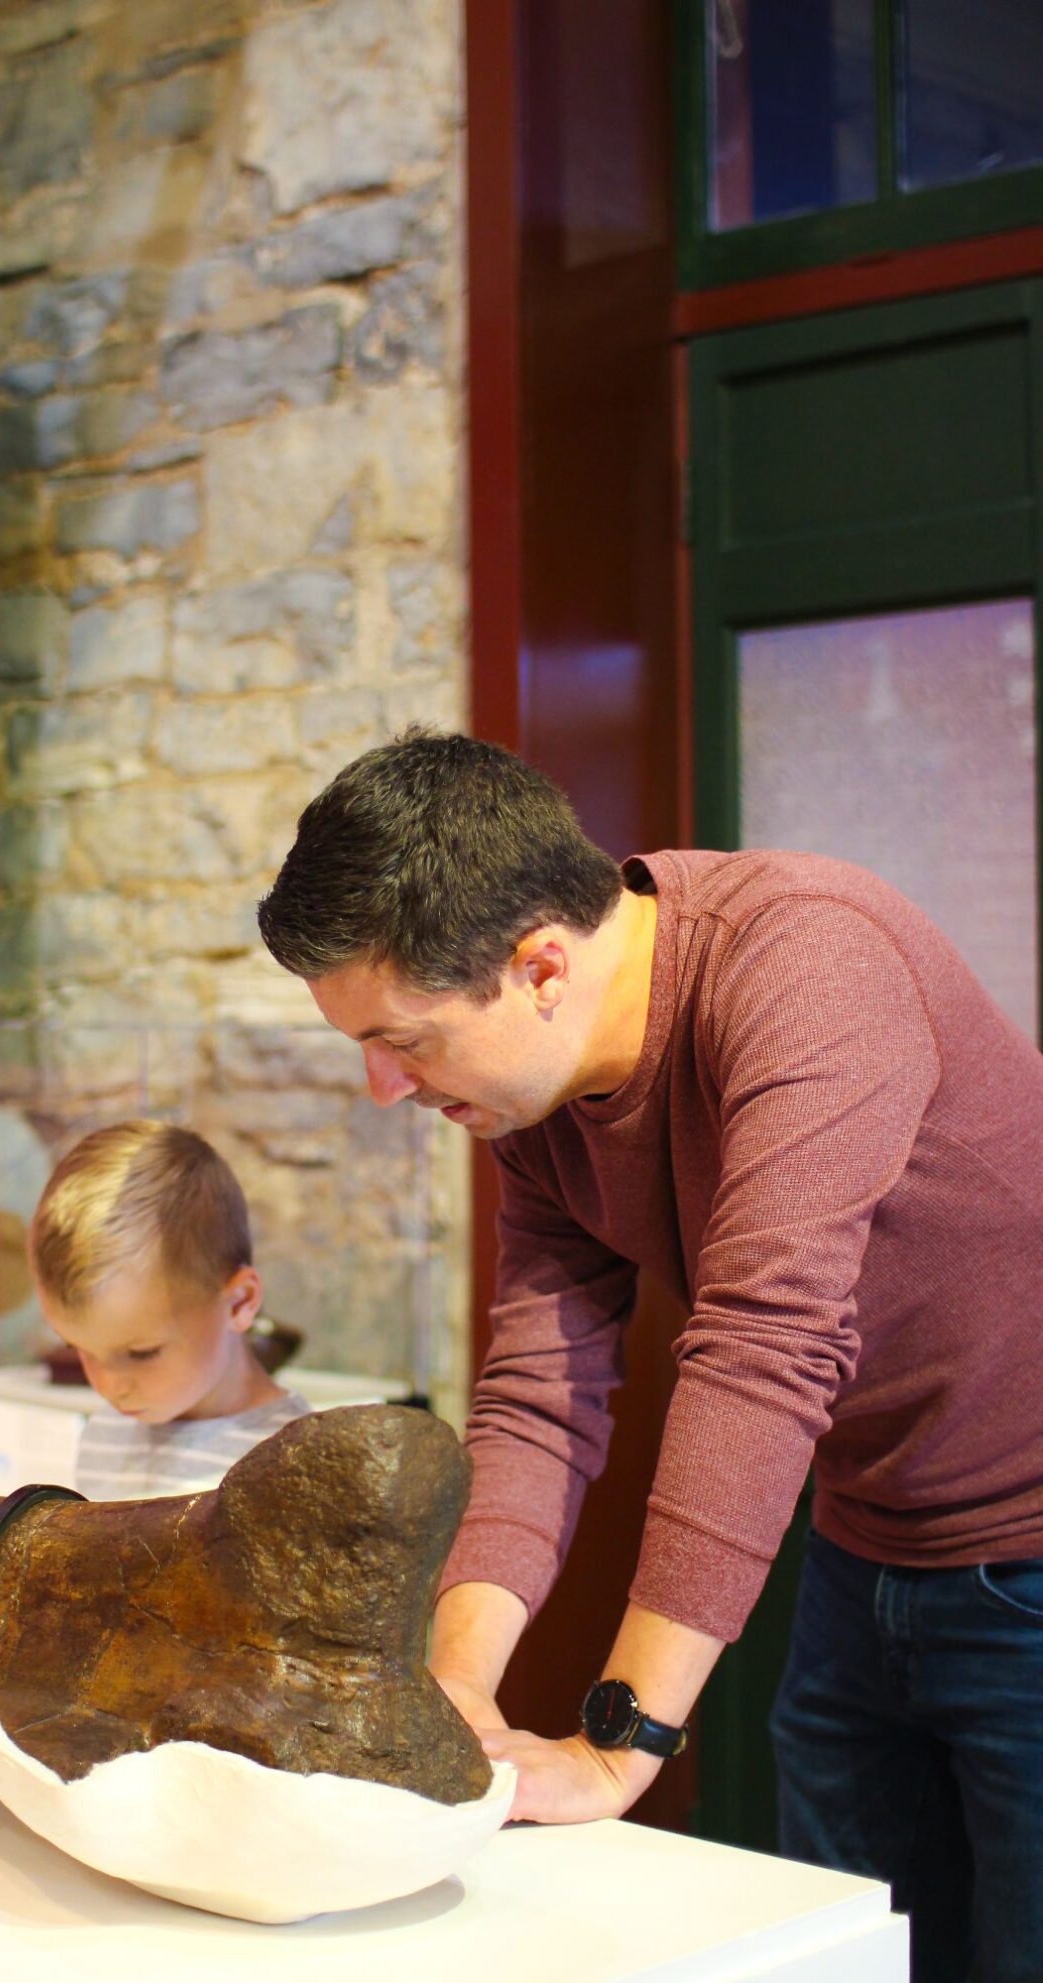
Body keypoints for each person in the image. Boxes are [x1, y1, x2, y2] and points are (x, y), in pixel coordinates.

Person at [256, 727, 1043, 1983]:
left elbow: (766, 1345)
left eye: (404, 1039)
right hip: (863, 1546)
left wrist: (617, 1745)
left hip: (1029, 1551)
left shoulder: (810, 962)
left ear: (540, 966)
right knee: (856, 1953)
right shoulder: (533, 1100)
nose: (383, 1087)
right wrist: (452, 1693)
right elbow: (539, 1395)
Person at [29, 1120, 309, 1500]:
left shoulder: (295, 1461)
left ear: (240, 1302)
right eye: (79, 1349)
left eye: (142, 1353)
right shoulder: (104, 1435)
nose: (109, 1386)